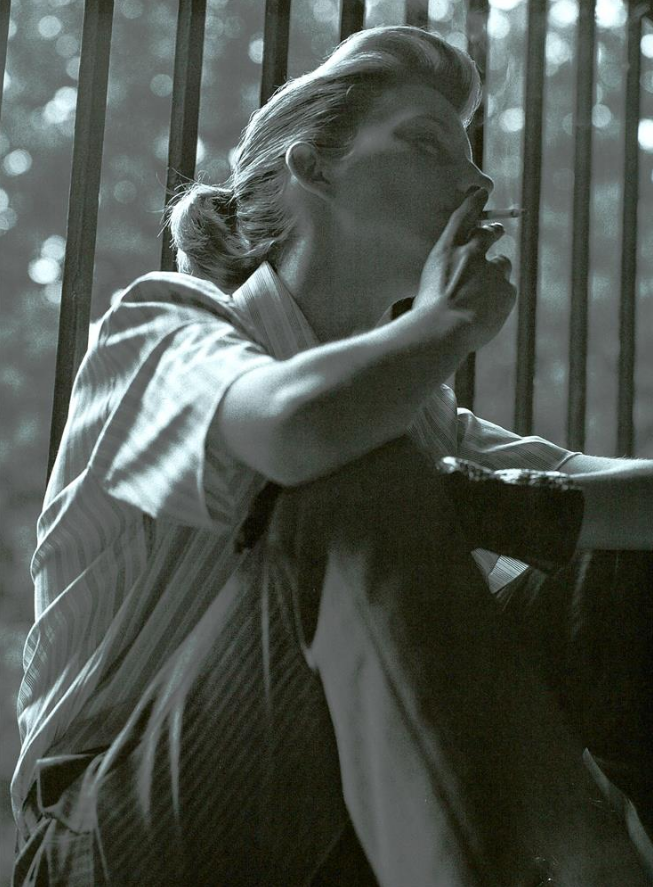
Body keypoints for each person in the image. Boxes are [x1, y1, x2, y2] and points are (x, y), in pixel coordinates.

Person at [12, 24, 653, 887]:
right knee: (352, 478)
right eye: (427, 143)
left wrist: (492, 501)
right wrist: (447, 325)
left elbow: (611, 499)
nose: (478, 182)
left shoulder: (416, 416)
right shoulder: (158, 330)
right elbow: (298, 432)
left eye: (472, 158)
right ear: (311, 165)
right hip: (101, 836)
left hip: (323, 807)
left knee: (611, 552)